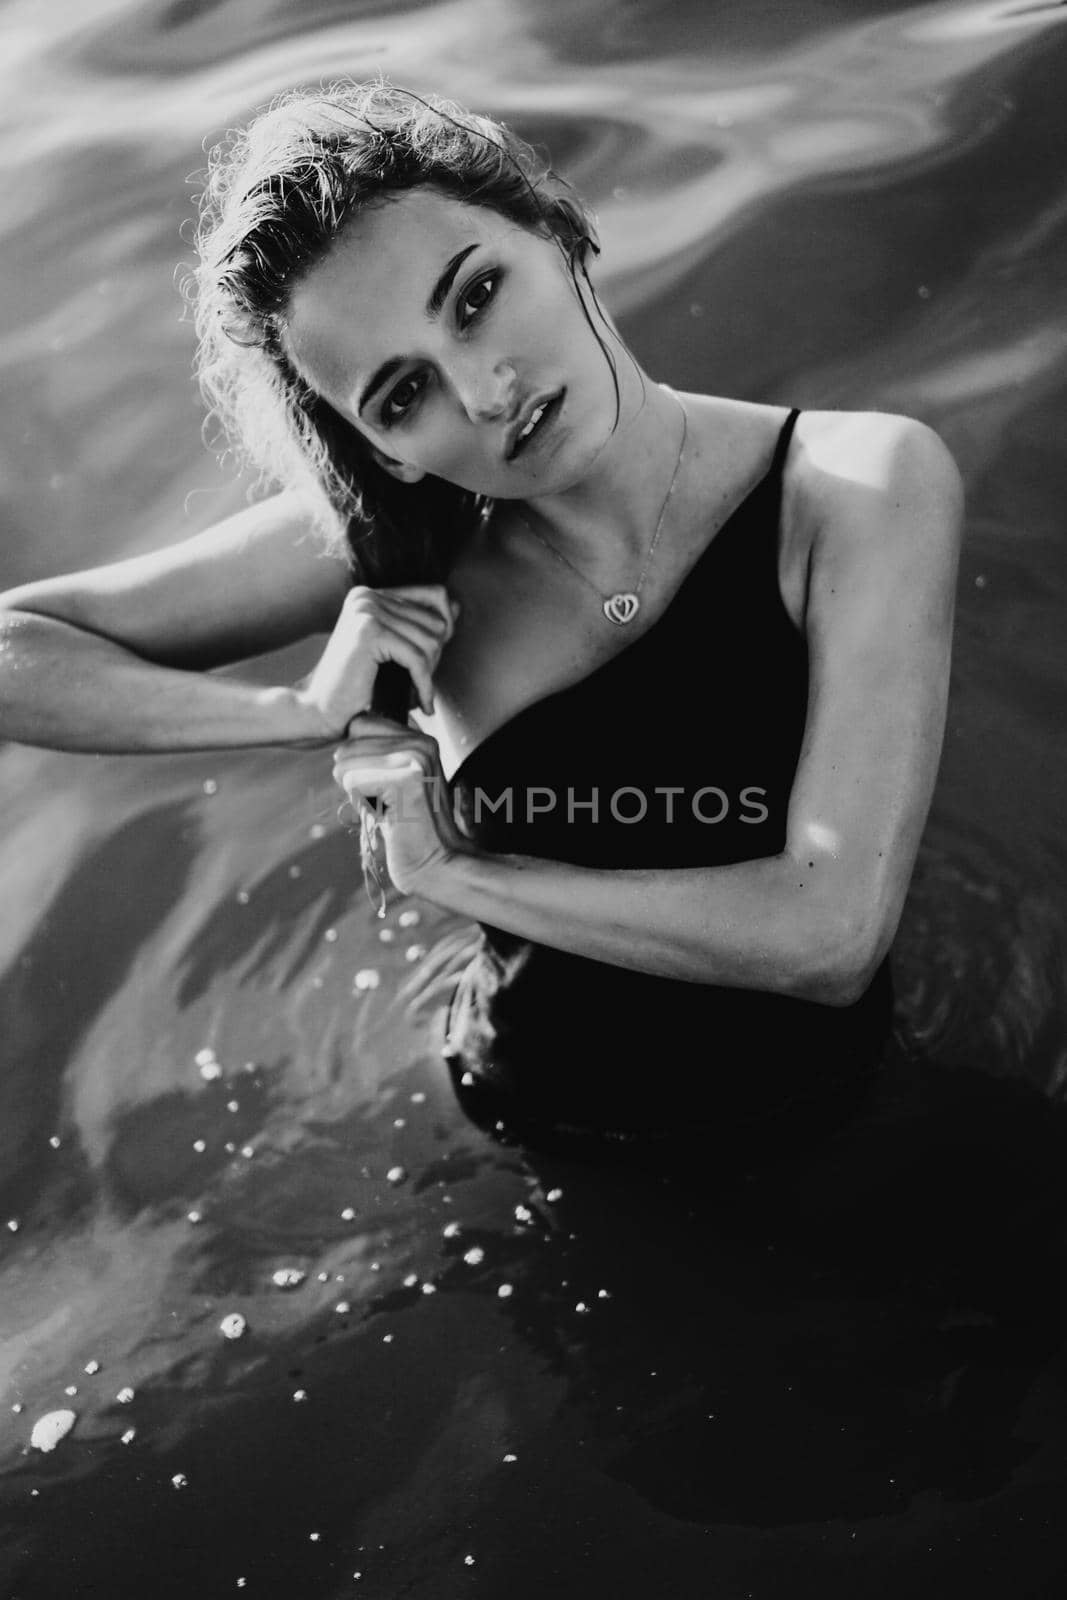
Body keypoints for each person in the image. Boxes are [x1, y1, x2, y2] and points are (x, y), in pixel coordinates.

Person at [0, 81, 963, 1164]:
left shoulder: (854, 486)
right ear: (381, 451)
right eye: (402, 395)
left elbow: (827, 935)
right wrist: (294, 709)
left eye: (475, 295)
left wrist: (456, 875)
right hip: (542, 1130)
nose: (484, 389)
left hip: (829, 1108)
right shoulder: (400, 538)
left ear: (552, 228)